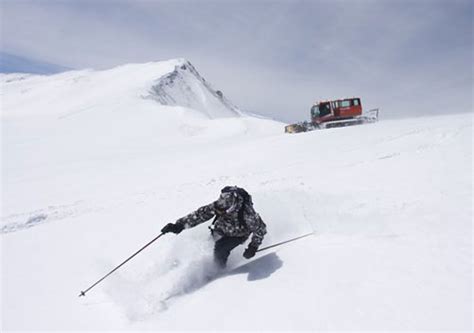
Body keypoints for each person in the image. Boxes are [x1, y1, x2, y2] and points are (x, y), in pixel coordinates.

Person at [161, 186, 267, 268]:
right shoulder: (218, 206)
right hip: (220, 229)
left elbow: (260, 228)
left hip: (239, 234)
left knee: (220, 248)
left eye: (223, 208)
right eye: (219, 206)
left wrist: (253, 247)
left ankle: (218, 272)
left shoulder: (247, 213)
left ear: (232, 206)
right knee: (207, 247)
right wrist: (179, 225)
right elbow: (199, 215)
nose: (219, 209)